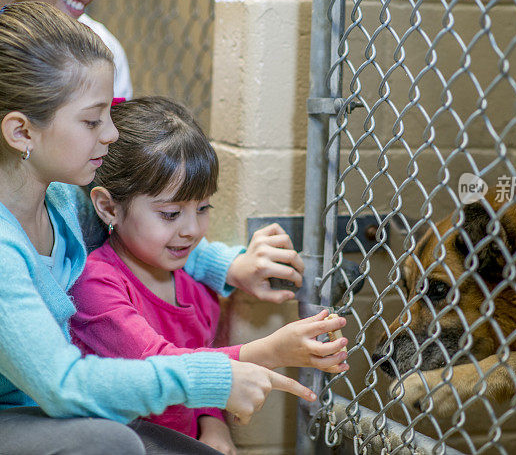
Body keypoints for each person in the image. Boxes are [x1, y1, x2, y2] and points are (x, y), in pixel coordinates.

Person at [0, 0, 301, 453]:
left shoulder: (61, 200)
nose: (112, 134)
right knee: (111, 443)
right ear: (21, 132)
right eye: (93, 121)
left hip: (32, 410)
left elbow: (139, 228)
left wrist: (227, 267)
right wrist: (215, 377)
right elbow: (63, 386)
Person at [68, 97, 350, 454]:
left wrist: (213, 423)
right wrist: (270, 351)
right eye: (170, 214)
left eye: (202, 209)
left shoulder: (195, 288)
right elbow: (160, 365)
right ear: (109, 207)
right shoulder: (97, 283)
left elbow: (202, 361)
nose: (191, 229)